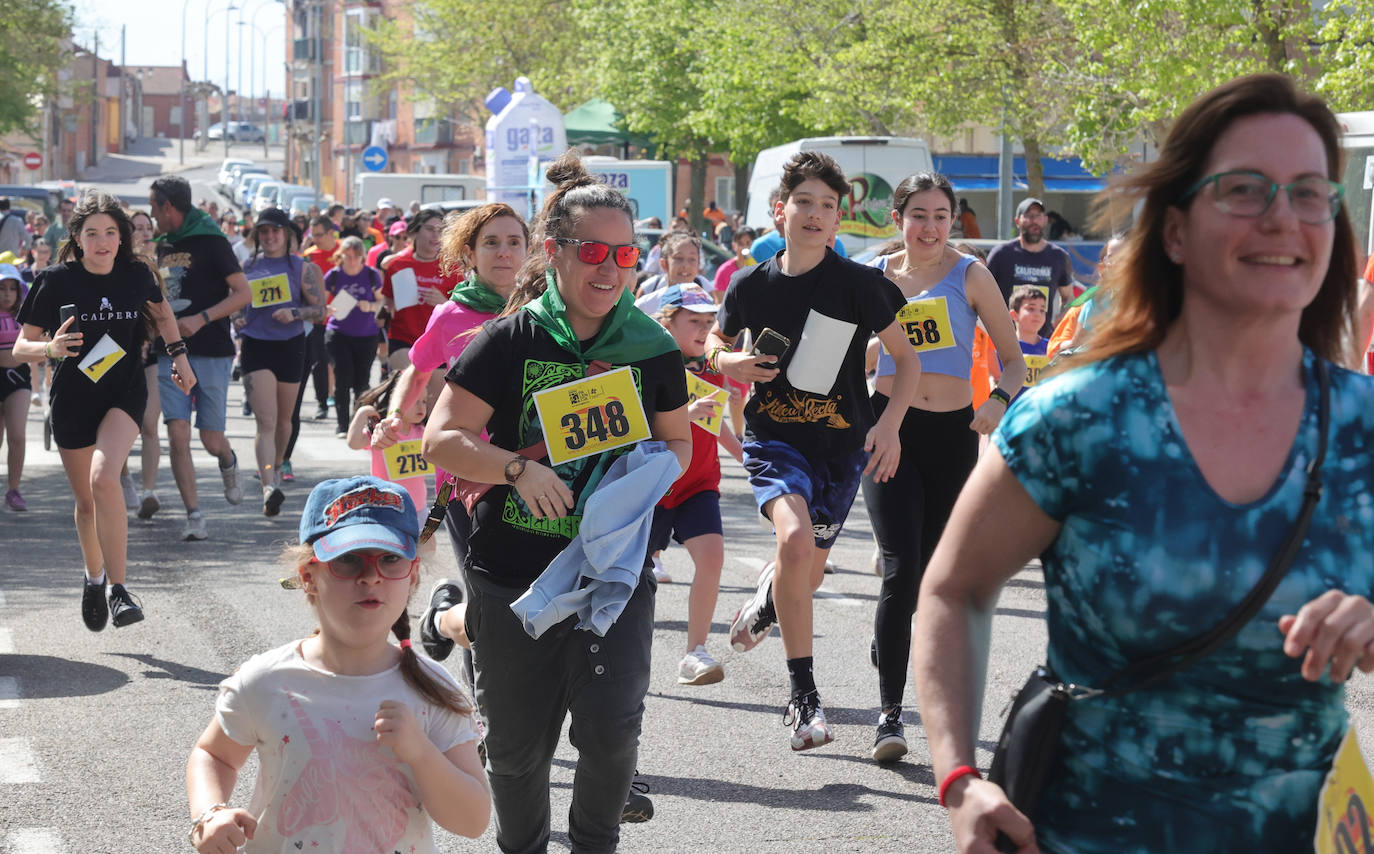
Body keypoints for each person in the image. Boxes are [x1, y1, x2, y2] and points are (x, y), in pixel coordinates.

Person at [912, 73, 1374, 853]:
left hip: (1309, 832)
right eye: (1244, 190)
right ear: (1175, 230)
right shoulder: (1079, 419)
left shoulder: (1363, 428)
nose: (1282, 217)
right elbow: (955, 590)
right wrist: (960, 779)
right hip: (1090, 831)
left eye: (1307, 192)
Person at [422, 151, 692, 853]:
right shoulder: (511, 338)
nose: (609, 269)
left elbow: (678, 446)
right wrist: (517, 469)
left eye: (625, 253)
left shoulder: (652, 346)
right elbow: (442, 440)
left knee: (611, 732)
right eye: (593, 251)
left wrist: (632, 490)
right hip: (514, 572)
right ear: (557, 252)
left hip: (612, 570)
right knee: (515, 751)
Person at [708, 151, 918, 750]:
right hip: (774, 438)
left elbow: (907, 361)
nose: (817, 214)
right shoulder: (750, 285)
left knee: (810, 569)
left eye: (829, 206)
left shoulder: (861, 286)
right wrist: (734, 362)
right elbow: (713, 347)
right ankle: (803, 700)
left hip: (843, 448)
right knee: (796, 543)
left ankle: (770, 600)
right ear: (781, 211)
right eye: (805, 202)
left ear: (837, 219)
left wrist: (891, 423)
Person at [185, 476, 489, 853]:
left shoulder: (432, 690)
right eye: (348, 560)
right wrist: (209, 813)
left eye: (390, 559)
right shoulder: (266, 680)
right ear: (308, 577)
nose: (371, 575)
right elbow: (213, 755)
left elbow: (473, 820)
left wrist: (421, 753)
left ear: (411, 576)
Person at [859, 173, 1025, 764]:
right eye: (918, 215)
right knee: (901, 572)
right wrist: (884, 346)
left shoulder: (971, 274)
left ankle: (893, 640)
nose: (930, 227)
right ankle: (889, 715)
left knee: (932, 580)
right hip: (889, 431)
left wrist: (996, 405)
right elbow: (853, 355)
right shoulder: (875, 278)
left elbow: (1014, 360)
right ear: (898, 218)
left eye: (941, 215)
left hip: (954, 436)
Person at [13, 192, 197, 629]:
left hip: (123, 391)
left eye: (110, 233)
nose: (102, 241)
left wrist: (180, 358)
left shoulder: (136, 274)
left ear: (122, 238)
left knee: (103, 477)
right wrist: (50, 348)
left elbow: (165, 316)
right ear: (76, 239)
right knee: (86, 503)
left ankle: (118, 589)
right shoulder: (55, 280)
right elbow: (22, 346)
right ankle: (93, 577)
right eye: (91, 233)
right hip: (73, 397)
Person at [639, 283, 744, 683]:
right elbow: (632, 424)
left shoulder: (714, 367)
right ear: (668, 322)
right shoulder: (649, 362)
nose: (703, 329)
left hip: (698, 483)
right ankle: (621, 653)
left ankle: (694, 652)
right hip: (655, 484)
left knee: (712, 557)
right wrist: (684, 411)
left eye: (708, 321)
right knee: (633, 578)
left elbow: (714, 421)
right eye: (693, 321)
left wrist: (746, 457)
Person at [149, 175, 249, 541]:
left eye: (154, 207)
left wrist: (202, 318)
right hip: (169, 353)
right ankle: (194, 515)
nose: (152, 215)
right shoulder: (162, 245)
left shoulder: (212, 241)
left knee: (210, 439)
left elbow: (243, 294)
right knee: (177, 432)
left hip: (212, 350)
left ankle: (227, 459)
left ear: (169, 207)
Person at [236, 208, 325, 517]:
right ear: (257, 236)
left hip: (291, 345)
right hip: (256, 346)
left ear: (286, 234)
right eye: (263, 232)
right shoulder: (247, 266)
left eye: (275, 231)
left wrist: (295, 313)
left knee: (285, 421)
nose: (270, 237)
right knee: (266, 420)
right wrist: (237, 319)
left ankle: (277, 464)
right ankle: (269, 484)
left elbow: (320, 309)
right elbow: (236, 305)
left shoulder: (303, 268)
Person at [379, 208, 460, 402]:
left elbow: (463, 312)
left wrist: (444, 302)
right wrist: (381, 311)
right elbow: (387, 303)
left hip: (438, 344)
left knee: (431, 407)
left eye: (440, 230)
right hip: (403, 339)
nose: (436, 235)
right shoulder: (397, 265)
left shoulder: (452, 268)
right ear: (415, 232)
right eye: (430, 229)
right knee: (410, 401)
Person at [121, 209, 167, 518]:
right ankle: (123, 476)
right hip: (120, 354)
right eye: (136, 228)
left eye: (147, 227)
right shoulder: (120, 268)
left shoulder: (163, 266)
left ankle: (149, 490)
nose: (143, 233)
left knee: (150, 423)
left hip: (154, 352)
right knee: (123, 426)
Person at [346, 373, 430, 533]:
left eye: (424, 401)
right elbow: (353, 443)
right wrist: (363, 412)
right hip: (385, 505)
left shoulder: (422, 432)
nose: (421, 407)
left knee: (425, 546)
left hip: (417, 506)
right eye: (415, 401)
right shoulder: (382, 433)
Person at [985, 197, 1076, 338]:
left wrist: (1063, 317)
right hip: (1005, 340)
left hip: (1043, 342)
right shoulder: (1001, 254)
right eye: (1028, 216)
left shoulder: (1058, 257)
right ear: (1017, 221)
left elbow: (1068, 297)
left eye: (1038, 216)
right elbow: (984, 293)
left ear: (1045, 220)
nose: (1034, 221)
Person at [324, 235, 383, 437]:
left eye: (355, 256)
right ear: (340, 256)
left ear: (362, 257)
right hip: (338, 333)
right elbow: (321, 306)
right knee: (343, 377)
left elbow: (383, 304)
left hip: (366, 335)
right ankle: (342, 425)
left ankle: (356, 424)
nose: (351, 260)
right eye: (347, 256)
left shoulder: (371, 275)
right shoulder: (333, 276)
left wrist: (371, 306)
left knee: (362, 382)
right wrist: (329, 309)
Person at [1047, 234, 1125, 360]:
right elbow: (1056, 347)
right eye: (1111, 258)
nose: (1117, 263)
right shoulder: (1091, 302)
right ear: (1102, 268)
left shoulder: (1151, 299)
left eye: (1124, 257)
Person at [0, 264, 30, 510]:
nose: (7, 294)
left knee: (18, 435)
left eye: (12, 288)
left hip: (18, 379)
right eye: (1, 288)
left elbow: (41, 344)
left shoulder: (27, 316)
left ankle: (14, 490)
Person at [990, 285, 1048, 402]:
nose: (1038, 314)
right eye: (1031, 309)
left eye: (1042, 310)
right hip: (1008, 414)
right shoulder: (1002, 348)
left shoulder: (1051, 347)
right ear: (1014, 315)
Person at [636, 232, 712, 297]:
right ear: (664, 264)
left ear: (698, 264)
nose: (685, 265)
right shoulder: (648, 292)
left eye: (692, 259)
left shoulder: (705, 290)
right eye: (678, 258)